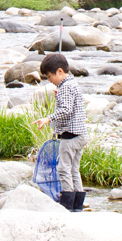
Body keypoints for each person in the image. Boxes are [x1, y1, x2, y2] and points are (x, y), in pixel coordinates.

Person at [36, 53, 87, 211]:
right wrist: (61, 95)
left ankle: (67, 205)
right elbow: (71, 102)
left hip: (70, 137)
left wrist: (48, 119)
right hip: (81, 135)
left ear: (59, 72)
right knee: (74, 170)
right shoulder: (72, 83)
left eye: (49, 76)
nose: (49, 80)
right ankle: (77, 205)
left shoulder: (65, 87)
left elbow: (66, 110)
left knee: (63, 169)